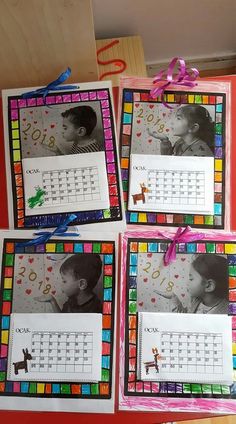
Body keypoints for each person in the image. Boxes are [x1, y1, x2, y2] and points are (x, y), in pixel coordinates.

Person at [155, 254, 229, 314]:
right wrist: (174, 298)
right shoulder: (195, 301)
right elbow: (186, 320)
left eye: (191, 279)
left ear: (209, 286)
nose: (187, 282)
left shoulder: (227, 312)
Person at [35, 253, 102, 313]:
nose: (61, 284)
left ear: (82, 284)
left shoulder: (95, 309)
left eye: (64, 281)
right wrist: (52, 301)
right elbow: (63, 320)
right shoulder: (72, 300)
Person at [148, 105, 214, 157]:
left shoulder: (202, 153)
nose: (172, 122)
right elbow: (168, 159)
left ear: (193, 128)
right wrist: (165, 140)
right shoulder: (180, 142)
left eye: (178, 118)